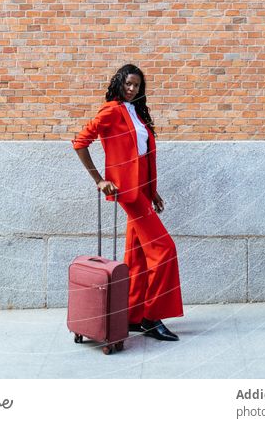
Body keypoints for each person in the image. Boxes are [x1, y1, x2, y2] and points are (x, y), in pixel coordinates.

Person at [72, 63, 183, 342]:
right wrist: (99, 180)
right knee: (164, 250)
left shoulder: (137, 112)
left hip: (143, 192)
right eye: (128, 84)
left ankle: (133, 315)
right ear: (119, 82)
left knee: (137, 258)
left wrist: (153, 191)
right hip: (129, 193)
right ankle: (151, 316)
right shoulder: (111, 110)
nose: (132, 89)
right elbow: (80, 142)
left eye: (137, 85)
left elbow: (142, 154)